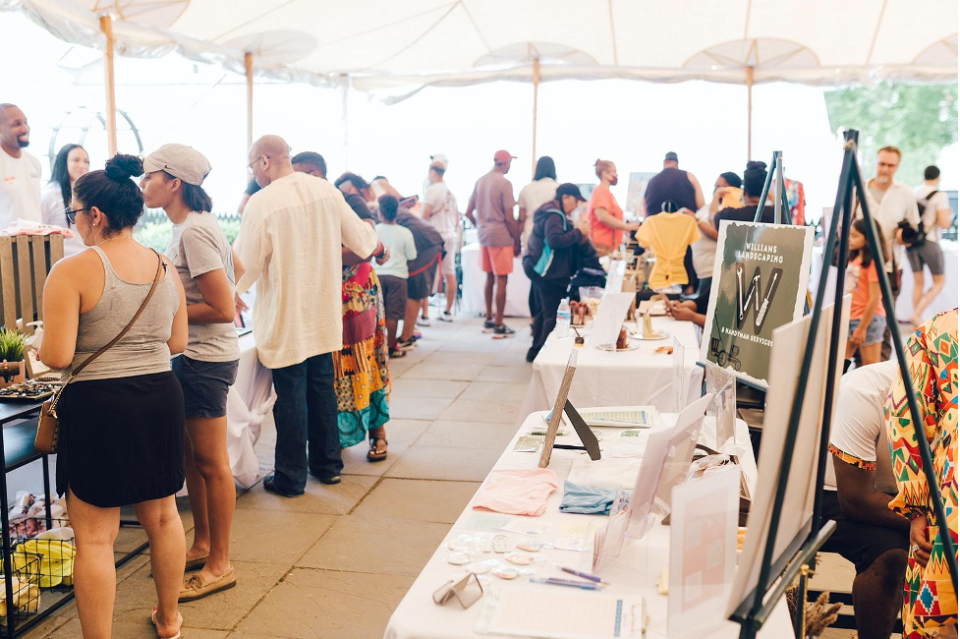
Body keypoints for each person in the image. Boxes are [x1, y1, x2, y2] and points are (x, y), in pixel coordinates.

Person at [38, 154, 189, 639]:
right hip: (159, 395)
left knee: (96, 538)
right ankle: (169, 621)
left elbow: (58, 353)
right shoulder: (164, 265)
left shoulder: (72, 270)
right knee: (164, 518)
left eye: (74, 214)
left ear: (95, 215)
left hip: (99, 407)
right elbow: (177, 343)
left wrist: (37, 346)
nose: (74, 223)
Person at [236, 136, 380, 496]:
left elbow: (244, 266)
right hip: (322, 309)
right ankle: (328, 466)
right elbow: (364, 242)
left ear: (265, 161)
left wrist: (227, 292)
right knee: (321, 388)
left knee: (291, 396)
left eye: (252, 166)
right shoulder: (327, 191)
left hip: (285, 314)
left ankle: (290, 477)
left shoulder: (263, 202)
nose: (253, 173)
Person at [139, 144, 240, 602]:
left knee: (212, 463)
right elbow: (232, 276)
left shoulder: (194, 231)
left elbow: (222, 308)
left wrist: (166, 317)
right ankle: (200, 544)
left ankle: (221, 563)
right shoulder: (190, 227)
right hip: (193, 358)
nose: (143, 186)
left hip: (204, 360)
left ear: (174, 181)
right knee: (192, 460)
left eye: (149, 178)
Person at [820, 361, 907, 639]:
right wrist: (926, 523)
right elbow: (856, 500)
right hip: (835, 489)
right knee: (892, 554)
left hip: (906, 494)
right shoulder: (865, 391)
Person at [886, 308, 958, 638]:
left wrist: (917, 510)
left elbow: (906, 416)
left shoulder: (936, 332)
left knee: (938, 610)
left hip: (950, 495)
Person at [318, 169, 394, 462]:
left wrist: (322, 253)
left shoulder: (350, 201)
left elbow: (364, 249)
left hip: (357, 294)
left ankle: (378, 434)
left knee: (367, 360)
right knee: (334, 368)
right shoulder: (311, 206)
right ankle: (338, 436)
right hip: (328, 294)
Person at [855, 146, 920, 362]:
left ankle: (879, 380)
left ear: (897, 167)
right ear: (875, 162)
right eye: (882, 164)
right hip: (859, 269)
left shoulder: (905, 193)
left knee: (883, 324)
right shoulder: (859, 189)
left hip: (889, 268)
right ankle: (855, 374)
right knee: (855, 319)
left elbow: (914, 228)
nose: (885, 169)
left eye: (890, 165)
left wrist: (903, 236)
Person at [522, 183, 595, 362]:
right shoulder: (554, 216)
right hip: (547, 272)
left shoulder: (552, 213)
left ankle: (536, 351)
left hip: (536, 267)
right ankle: (547, 358)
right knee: (551, 315)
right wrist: (579, 232)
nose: (576, 205)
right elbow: (554, 241)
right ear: (565, 197)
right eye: (575, 200)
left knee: (541, 313)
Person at [464, 150, 519, 337]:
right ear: (505, 163)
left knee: (489, 277)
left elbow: (468, 212)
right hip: (500, 236)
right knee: (502, 279)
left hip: (484, 235)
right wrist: (517, 238)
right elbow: (510, 218)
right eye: (510, 162)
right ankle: (499, 325)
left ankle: (488, 319)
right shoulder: (504, 183)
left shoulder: (481, 181)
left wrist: (480, 226)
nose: (511, 166)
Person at [394, 204, 445, 348]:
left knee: (415, 290)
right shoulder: (381, 208)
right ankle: (408, 333)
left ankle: (406, 338)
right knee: (412, 289)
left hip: (427, 244)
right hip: (424, 242)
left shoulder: (372, 213)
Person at [908, 165, 952, 326]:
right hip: (930, 241)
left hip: (912, 243)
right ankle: (917, 314)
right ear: (938, 177)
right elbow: (944, 222)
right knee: (939, 281)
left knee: (918, 281)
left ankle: (916, 322)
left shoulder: (914, 192)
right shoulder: (940, 195)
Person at [375, 195, 418, 357]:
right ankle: (391, 348)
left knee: (376, 313)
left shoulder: (374, 230)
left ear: (380, 213)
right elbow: (412, 258)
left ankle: (375, 349)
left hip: (376, 276)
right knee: (393, 314)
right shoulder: (405, 233)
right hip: (398, 277)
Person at [845, 218, 889, 367]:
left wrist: (862, 327)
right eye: (850, 234)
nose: (850, 239)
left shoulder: (873, 264)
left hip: (868, 319)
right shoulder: (855, 258)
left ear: (868, 238)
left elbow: (874, 298)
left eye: (855, 236)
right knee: (839, 363)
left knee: (870, 368)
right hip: (851, 317)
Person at [690, 171, 741, 297]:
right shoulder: (708, 207)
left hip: (715, 269)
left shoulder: (729, 211)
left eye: (719, 187)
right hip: (703, 270)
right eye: (715, 186)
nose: (716, 190)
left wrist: (695, 219)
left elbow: (718, 234)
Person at [421, 160, 459, 323]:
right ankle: (448, 311)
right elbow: (456, 219)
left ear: (433, 172)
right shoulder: (450, 193)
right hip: (450, 235)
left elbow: (424, 216)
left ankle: (424, 314)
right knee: (449, 273)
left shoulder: (432, 191)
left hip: (434, 237)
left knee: (427, 273)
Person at [635, 200, 699, 290]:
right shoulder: (689, 221)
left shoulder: (651, 221)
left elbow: (642, 245)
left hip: (659, 272)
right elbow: (693, 241)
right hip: (679, 272)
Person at [41, 143, 90, 256]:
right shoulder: (49, 194)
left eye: (86, 161)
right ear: (63, 163)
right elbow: (37, 230)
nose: (82, 165)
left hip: (87, 259)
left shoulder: (87, 194)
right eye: (76, 160)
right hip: (59, 262)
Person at [0, 103, 42, 228]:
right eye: (17, 124)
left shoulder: (34, 162)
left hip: (36, 242)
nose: (25, 129)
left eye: (25, 122)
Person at [585, 159, 638, 257]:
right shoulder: (601, 191)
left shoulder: (607, 193)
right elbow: (603, 217)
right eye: (614, 171)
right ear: (604, 173)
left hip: (607, 246)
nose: (616, 175)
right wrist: (627, 227)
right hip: (601, 246)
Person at [714, 162, 776, 229]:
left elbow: (712, 217)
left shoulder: (730, 216)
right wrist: (772, 196)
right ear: (766, 193)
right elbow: (780, 209)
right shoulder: (777, 216)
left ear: (744, 192)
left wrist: (716, 195)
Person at [643, 151, 705, 218]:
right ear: (676, 163)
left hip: (655, 226)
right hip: (685, 225)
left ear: (665, 162)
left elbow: (644, 210)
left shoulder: (651, 181)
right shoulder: (689, 176)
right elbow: (701, 206)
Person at [518, 156, 559, 247]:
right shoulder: (557, 189)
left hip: (529, 233)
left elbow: (521, 219)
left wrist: (517, 240)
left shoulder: (526, 189)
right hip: (549, 233)